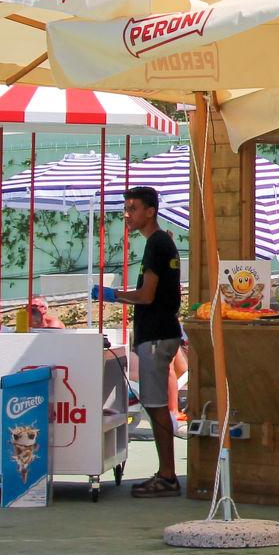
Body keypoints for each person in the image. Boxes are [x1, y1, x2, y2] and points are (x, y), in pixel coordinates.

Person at [95, 185, 182, 496]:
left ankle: (168, 475)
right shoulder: (160, 243)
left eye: (133, 208)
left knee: (157, 406)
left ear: (151, 211)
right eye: (126, 208)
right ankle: (166, 472)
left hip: (157, 334)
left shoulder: (158, 244)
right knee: (155, 404)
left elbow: (147, 295)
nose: (127, 214)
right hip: (159, 332)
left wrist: (111, 294)